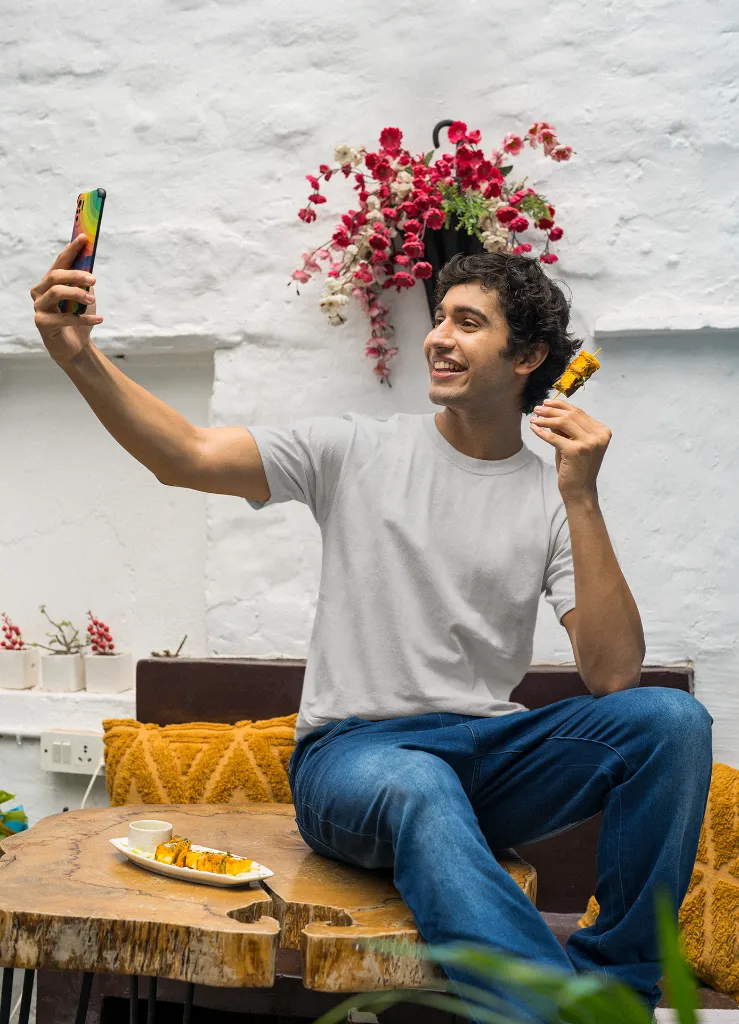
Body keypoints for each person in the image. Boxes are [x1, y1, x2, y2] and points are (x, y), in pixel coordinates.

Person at [31, 237, 712, 1022]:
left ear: (526, 357)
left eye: (467, 323)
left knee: (669, 720)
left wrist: (581, 497)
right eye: (439, 318)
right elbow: (185, 454)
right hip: (352, 760)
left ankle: (618, 989)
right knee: (418, 781)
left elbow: (612, 677)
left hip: (485, 759)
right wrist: (78, 356)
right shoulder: (353, 449)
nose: (438, 338)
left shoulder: (555, 496)